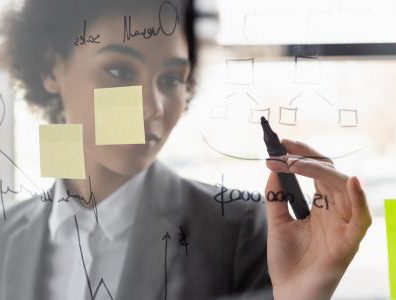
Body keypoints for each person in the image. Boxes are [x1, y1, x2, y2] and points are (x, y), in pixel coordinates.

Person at [0, 0, 372, 299]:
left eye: (170, 79)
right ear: (51, 70)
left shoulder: (252, 234)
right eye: (119, 72)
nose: (153, 108)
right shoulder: (6, 237)